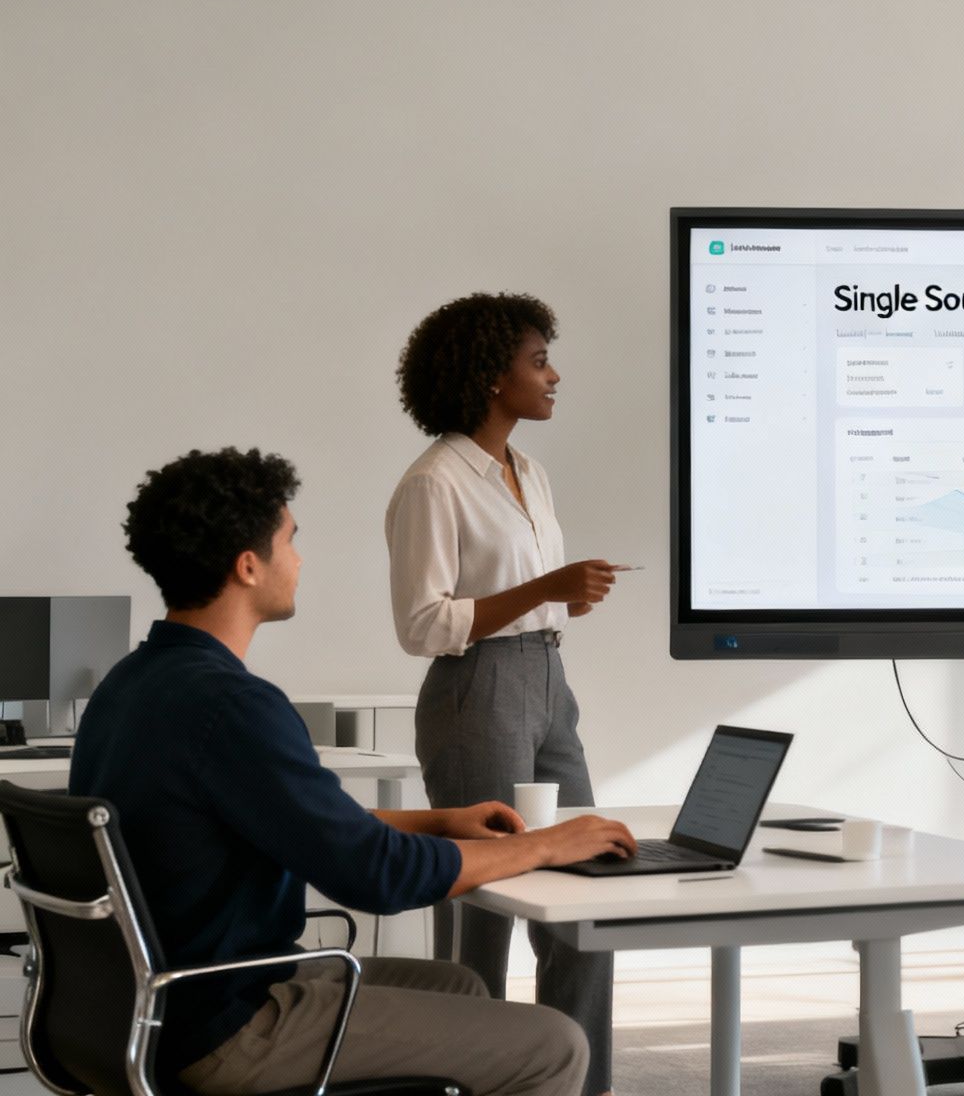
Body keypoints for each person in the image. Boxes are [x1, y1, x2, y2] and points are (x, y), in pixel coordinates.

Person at [71, 447, 638, 1096]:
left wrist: (438, 820)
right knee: (554, 1043)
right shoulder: (233, 706)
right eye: (291, 540)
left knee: (462, 986)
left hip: (155, 1006)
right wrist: (544, 845)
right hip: (226, 1025)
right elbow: (376, 874)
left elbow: (297, 823)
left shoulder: (133, 685)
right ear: (248, 566)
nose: (300, 559)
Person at [385, 292, 624, 1096]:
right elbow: (422, 624)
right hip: (476, 688)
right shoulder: (433, 483)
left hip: (548, 678)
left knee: (591, 877)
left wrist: (561, 598)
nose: (553, 375)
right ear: (492, 376)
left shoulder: (531, 471)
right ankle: (467, 1080)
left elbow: (526, 596)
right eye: (537, 360)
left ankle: (580, 1082)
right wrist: (542, 588)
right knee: (483, 900)